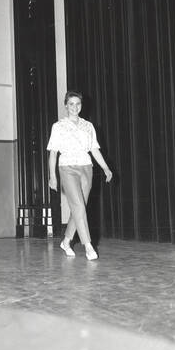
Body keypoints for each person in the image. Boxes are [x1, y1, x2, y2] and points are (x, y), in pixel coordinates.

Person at [47, 90, 112, 260]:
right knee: (79, 206)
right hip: (67, 167)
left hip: (86, 168)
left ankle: (66, 241)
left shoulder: (88, 126)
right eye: (71, 104)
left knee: (79, 207)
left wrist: (105, 168)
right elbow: (53, 153)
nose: (75, 107)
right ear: (66, 106)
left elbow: (94, 149)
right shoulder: (58, 126)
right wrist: (52, 177)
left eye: (78, 104)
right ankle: (88, 246)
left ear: (81, 106)